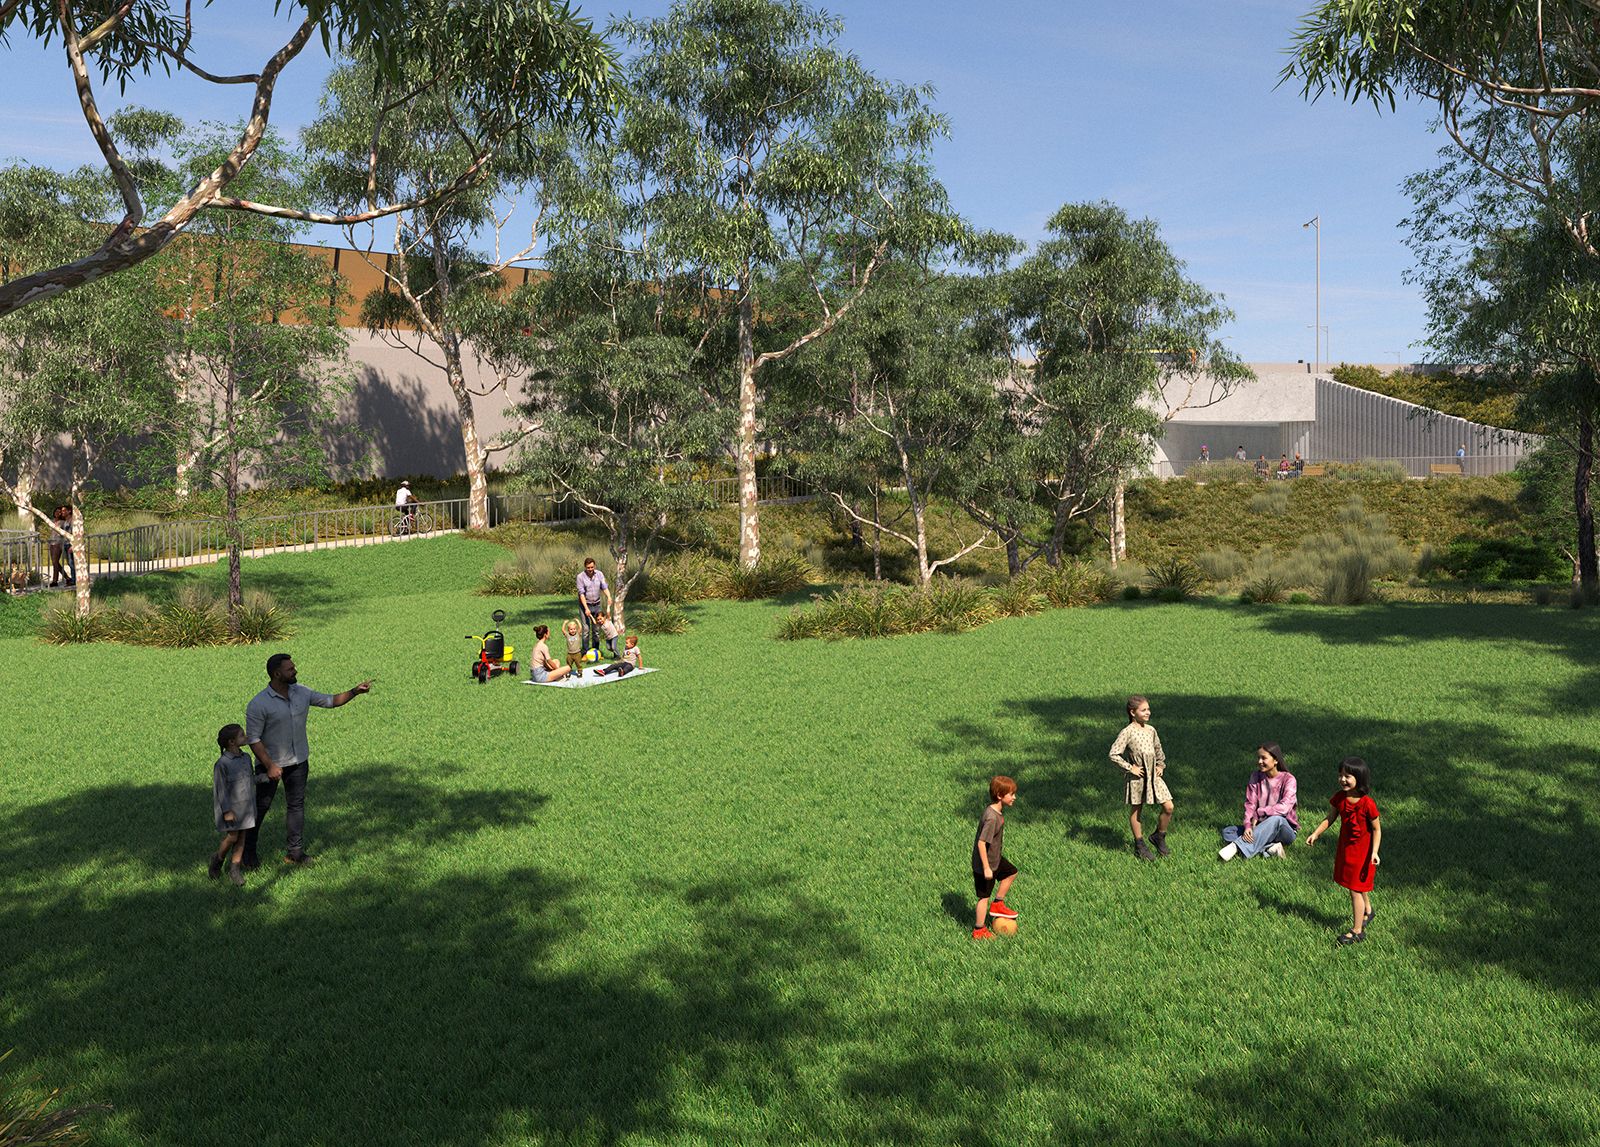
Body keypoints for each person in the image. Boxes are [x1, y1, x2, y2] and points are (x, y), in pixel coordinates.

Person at [242, 653, 371, 868]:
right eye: (290, 669)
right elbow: (253, 739)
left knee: (296, 806)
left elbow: (330, 701)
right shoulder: (259, 704)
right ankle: (248, 853)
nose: (295, 671)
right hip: (270, 765)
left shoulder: (302, 692)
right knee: (260, 808)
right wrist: (270, 765)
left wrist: (355, 691)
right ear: (277, 674)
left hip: (299, 760)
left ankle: (295, 852)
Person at [1303, 757, 1382, 945]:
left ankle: (1357, 931)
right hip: (1346, 850)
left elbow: (1377, 829)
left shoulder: (1367, 804)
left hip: (1363, 853)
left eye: (1348, 776)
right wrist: (1316, 833)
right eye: (1340, 775)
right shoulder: (1339, 798)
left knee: (1355, 889)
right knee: (1356, 884)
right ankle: (1368, 911)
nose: (1342, 779)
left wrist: (1375, 852)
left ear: (1359, 778)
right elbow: (1330, 818)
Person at [1110, 695, 1173, 860]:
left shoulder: (1151, 730)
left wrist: (1160, 765)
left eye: (1148, 709)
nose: (1148, 713)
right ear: (1132, 712)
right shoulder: (1127, 732)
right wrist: (1131, 768)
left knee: (1169, 807)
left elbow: (1158, 750)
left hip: (1154, 776)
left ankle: (1159, 836)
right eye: (1143, 710)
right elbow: (1113, 754)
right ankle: (1139, 845)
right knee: (1137, 809)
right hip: (1138, 778)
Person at [1218, 743, 1298, 861]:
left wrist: (1260, 812)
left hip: (1284, 829)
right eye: (1258, 758)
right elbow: (1250, 804)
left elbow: (1285, 807)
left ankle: (1236, 846)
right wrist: (1247, 826)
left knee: (1276, 819)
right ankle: (1271, 848)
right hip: (1260, 826)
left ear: (1275, 760)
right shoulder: (1256, 776)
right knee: (1228, 831)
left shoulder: (1289, 779)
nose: (1260, 761)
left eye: (1264, 758)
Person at [971, 775, 1019, 940]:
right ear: (1000, 795)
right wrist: (985, 867)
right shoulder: (992, 818)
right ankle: (979, 930)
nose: (1014, 797)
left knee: (1011, 872)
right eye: (1011, 794)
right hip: (986, 864)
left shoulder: (995, 811)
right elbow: (981, 843)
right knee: (983, 897)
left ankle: (998, 903)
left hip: (995, 859)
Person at [210, 724, 256, 886]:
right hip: (231, 808)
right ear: (231, 742)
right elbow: (220, 789)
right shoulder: (222, 764)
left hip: (246, 807)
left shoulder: (246, 758)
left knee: (242, 837)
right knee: (232, 836)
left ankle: (234, 869)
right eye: (242, 735)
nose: (245, 737)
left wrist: (264, 778)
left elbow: (250, 778)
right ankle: (217, 860)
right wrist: (227, 810)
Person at [576, 557, 612, 657]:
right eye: (588, 568)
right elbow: (581, 594)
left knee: (596, 630)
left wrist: (609, 596)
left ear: (594, 566)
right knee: (586, 630)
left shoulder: (599, 574)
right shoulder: (580, 577)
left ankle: (596, 652)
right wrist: (586, 608)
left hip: (597, 605)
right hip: (585, 605)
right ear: (585, 567)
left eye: (592, 567)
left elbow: (604, 587)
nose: (590, 569)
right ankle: (585, 653)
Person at [49, 504, 74, 586]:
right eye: (56, 511)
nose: (58, 513)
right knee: (54, 562)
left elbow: (67, 532)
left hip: (58, 543)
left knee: (56, 562)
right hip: (51, 543)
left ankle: (55, 581)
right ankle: (67, 578)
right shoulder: (52, 521)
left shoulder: (63, 522)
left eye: (60, 512)